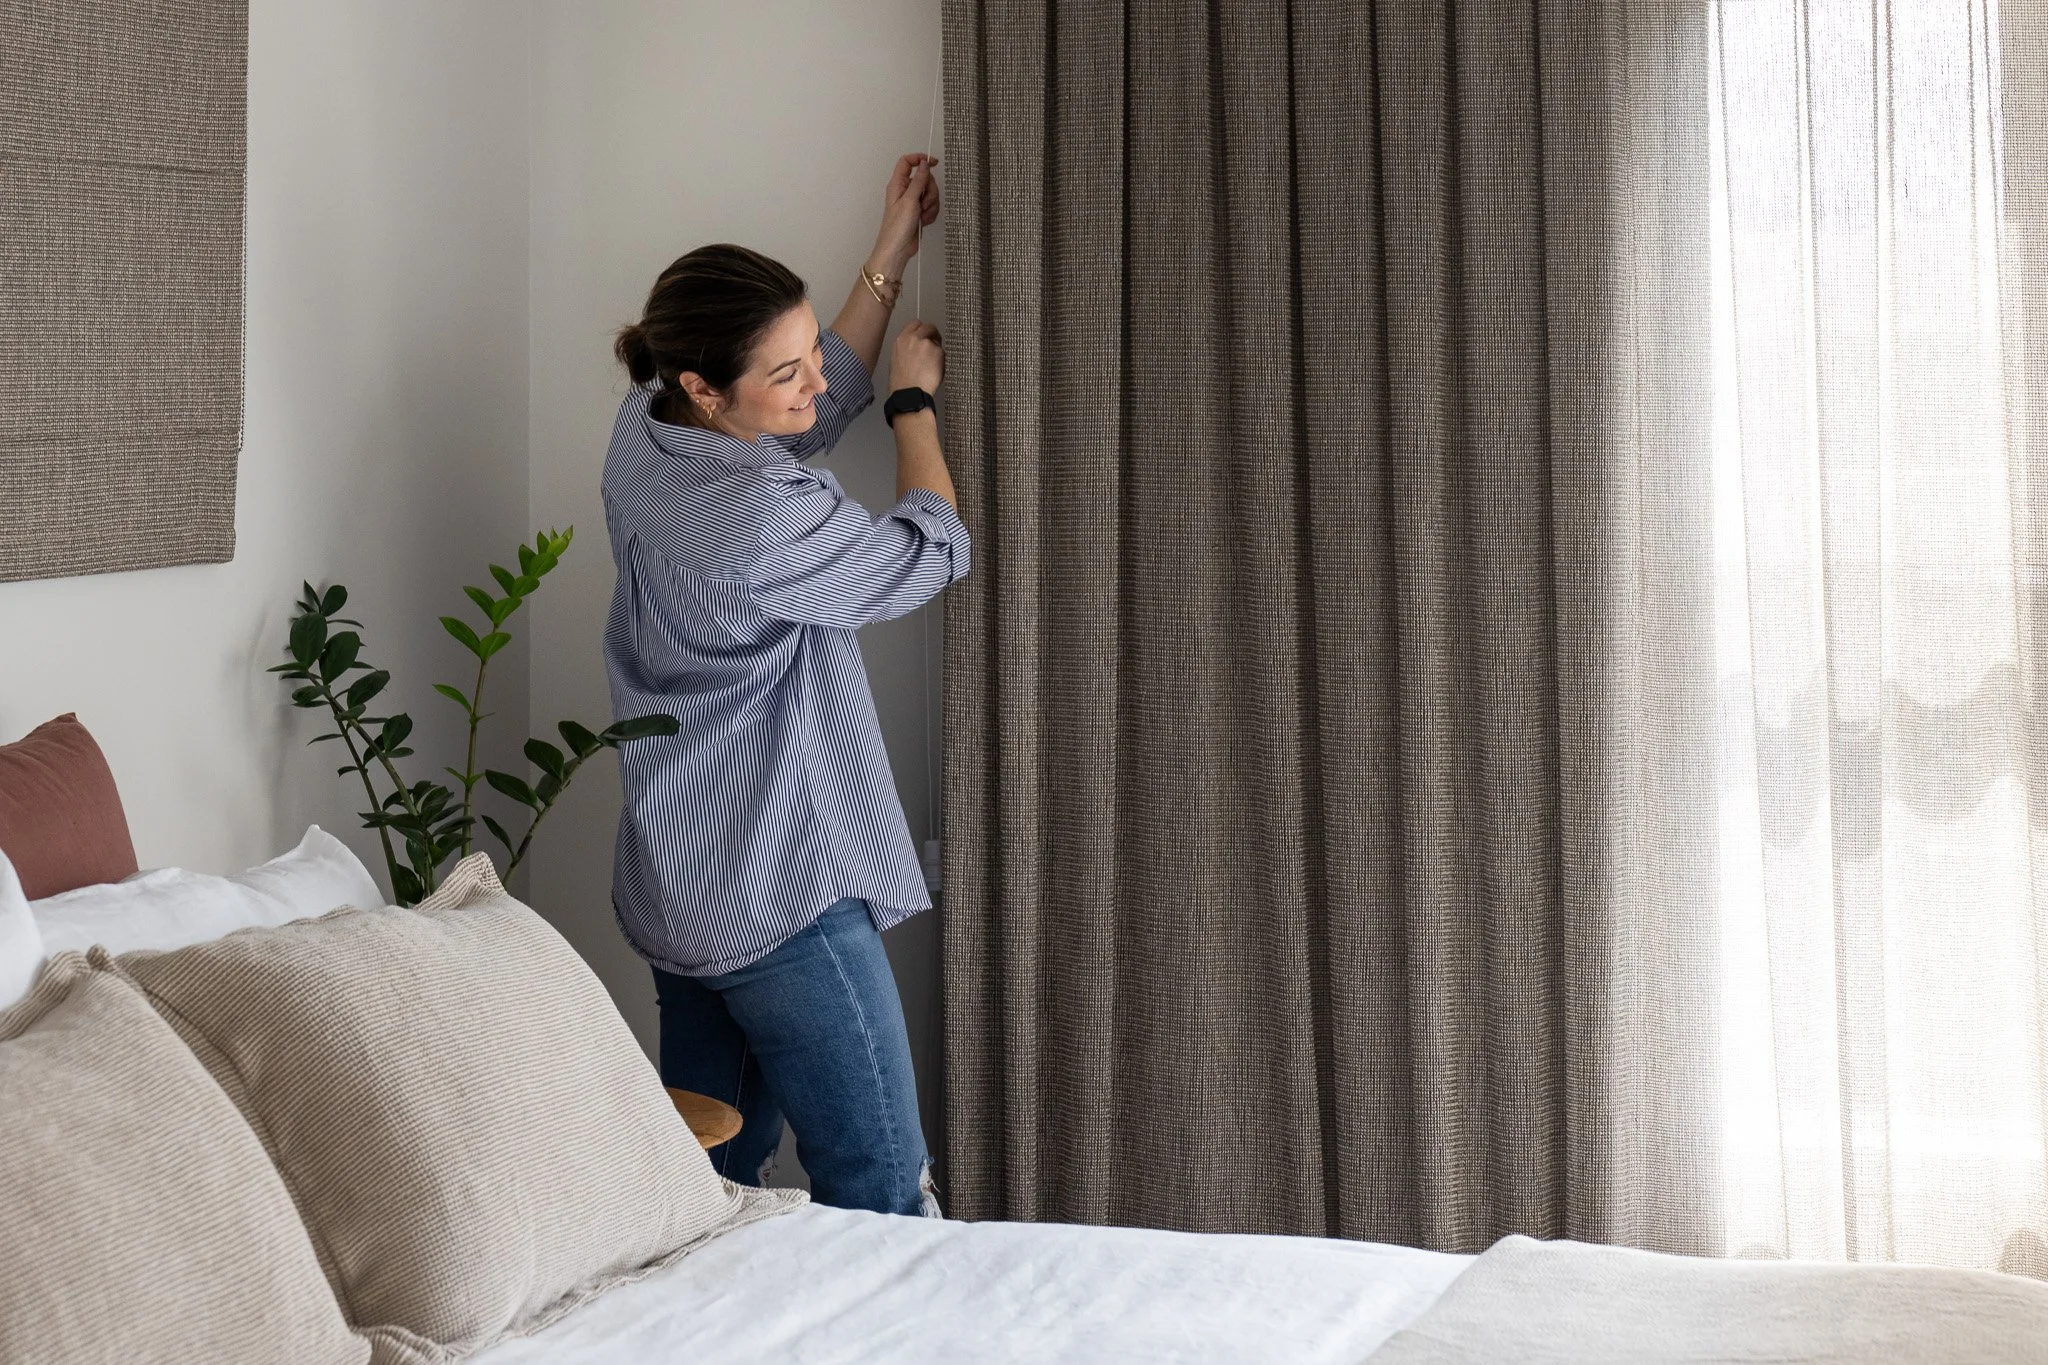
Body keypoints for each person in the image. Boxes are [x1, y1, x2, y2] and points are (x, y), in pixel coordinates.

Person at [601, 154, 964, 1217]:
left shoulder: (645, 423)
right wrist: (910, 406)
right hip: (780, 890)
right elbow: (928, 552)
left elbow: (801, 418)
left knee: (708, 1194)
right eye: (788, 371)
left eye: (811, 356)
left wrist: (890, 248)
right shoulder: (759, 517)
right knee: (881, 1184)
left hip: (679, 876)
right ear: (709, 387)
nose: (815, 386)